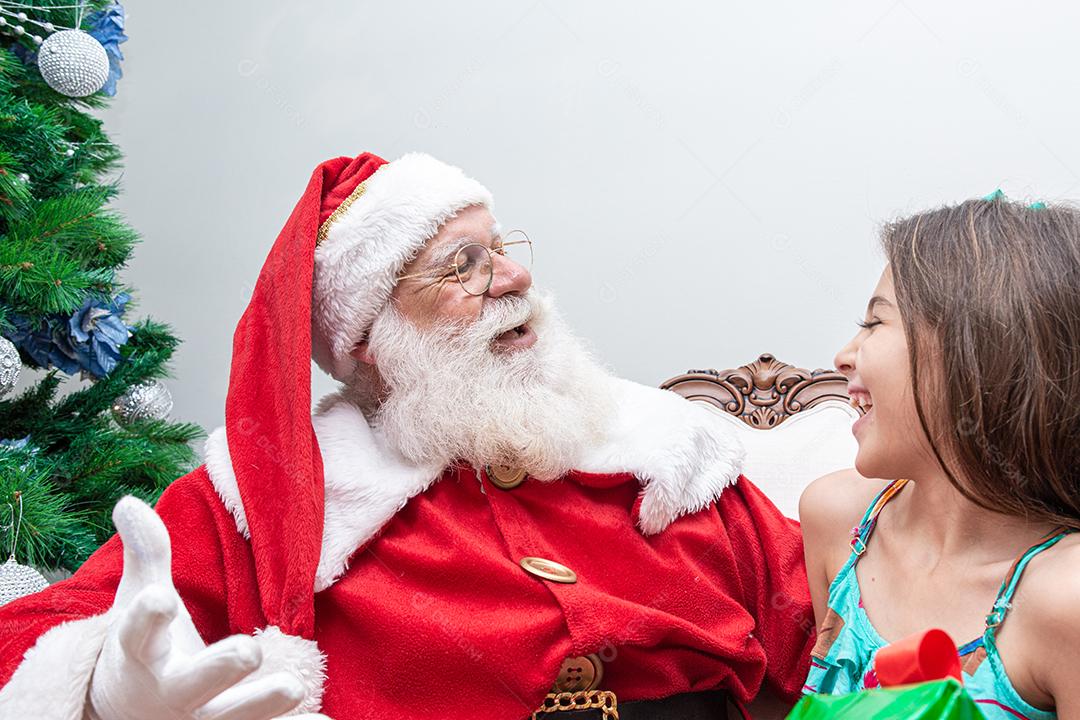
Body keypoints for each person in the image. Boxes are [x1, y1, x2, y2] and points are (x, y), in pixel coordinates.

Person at [0, 151, 814, 720]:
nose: (514, 277)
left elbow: (836, 624)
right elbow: (31, 636)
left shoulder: (664, 450)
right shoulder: (271, 498)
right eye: (461, 266)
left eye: (501, 249)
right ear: (367, 337)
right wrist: (107, 693)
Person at [800, 193, 1080, 718]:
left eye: (874, 324)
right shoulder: (837, 519)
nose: (843, 356)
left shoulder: (1066, 597)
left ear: (976, 355)